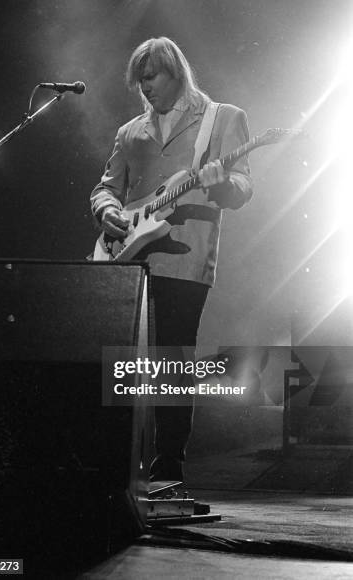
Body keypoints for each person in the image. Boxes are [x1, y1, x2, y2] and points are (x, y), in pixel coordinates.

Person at [90, 36, 253, 481]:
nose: (145, 90)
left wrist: (220, 185)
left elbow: (242, 186)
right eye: (139, 83)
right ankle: (117, 468)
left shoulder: (222, 118)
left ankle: (168, 469)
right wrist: (107, 211)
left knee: (172, 362)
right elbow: (107, 187)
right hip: (128, 261)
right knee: (120, 365)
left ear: (175, 71)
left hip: (186, 258)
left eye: (152, 79)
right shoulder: (130, 133)